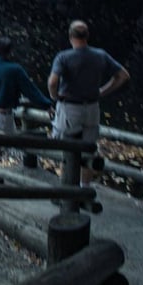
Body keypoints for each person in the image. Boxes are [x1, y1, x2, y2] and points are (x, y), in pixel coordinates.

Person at [47, 20, 130, 187]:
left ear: (70, 36)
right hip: (92, 108)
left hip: (70, 108)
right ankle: (84, 189)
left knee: (67, 149)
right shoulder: (100, 55)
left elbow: (52, 82)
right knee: (87, 151)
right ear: (87, 36)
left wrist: (55, 97)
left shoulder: (63, 57)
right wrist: (103, 91)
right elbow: (123, 75)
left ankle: (66, 191)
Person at [0, 36, 54, 183]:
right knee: (2, 143)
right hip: (2, 113)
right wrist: (47, 105)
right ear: (10, 52)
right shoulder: (15, 70)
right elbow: (31, 91)